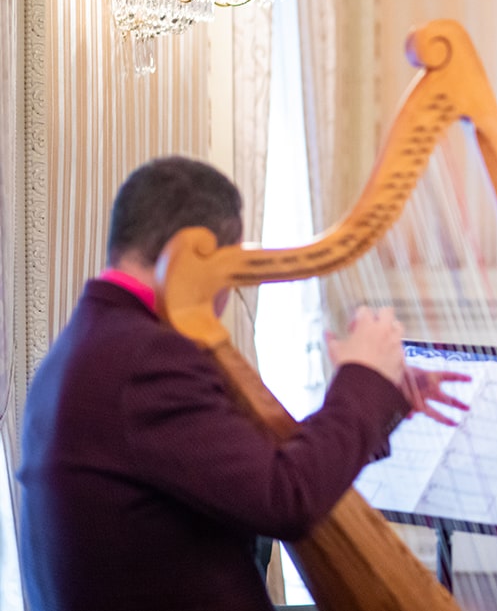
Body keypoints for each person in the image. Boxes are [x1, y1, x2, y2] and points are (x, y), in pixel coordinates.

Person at [18, 156, 469, 611]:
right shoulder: (147, 360)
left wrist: (382, 397)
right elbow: (286, 497)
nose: (227, 294)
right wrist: (362, 378)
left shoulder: (97, 341)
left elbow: (255, 466)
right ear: (195, 253)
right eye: (231, 271)